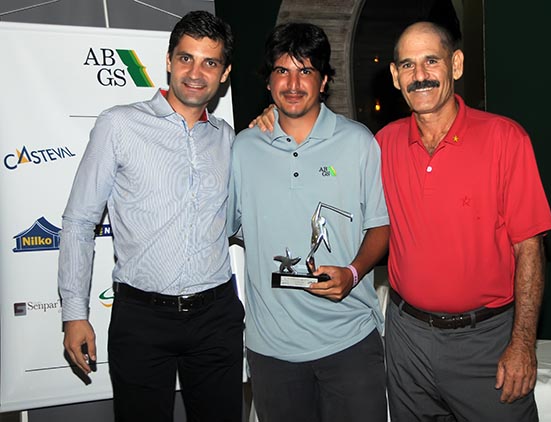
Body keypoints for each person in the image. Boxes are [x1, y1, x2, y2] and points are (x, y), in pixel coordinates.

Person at [58, 10, 243, 422]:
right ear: (168, 60)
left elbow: (240, 220)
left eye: (210, 62)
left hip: (216, 316)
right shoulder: (119, 125)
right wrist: (74, 313)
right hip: (141, 319)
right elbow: (79, 221)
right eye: (186, 58)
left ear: (225, 72)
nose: (196, 73)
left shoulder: (230, 140)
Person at [376, 21, 551, 421]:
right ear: (394, 76)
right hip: (407, 342)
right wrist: (274, 119)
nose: (419, 76)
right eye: (407, 65)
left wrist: (523, 344)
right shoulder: (381, 145)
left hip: (485, 343)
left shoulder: (506, 139)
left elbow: (529, 248)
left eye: (430, 61)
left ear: (455, 65)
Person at [228, 22, 389, 422]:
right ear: (268, 82)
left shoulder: (358, 142)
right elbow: (224, 227)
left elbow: (381, 225)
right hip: (272, 351)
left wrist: (352, 273)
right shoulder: (244, 148)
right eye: (282, 71)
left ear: (324, 81)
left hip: (350, 341)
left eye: (306, 71)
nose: (293, 83)